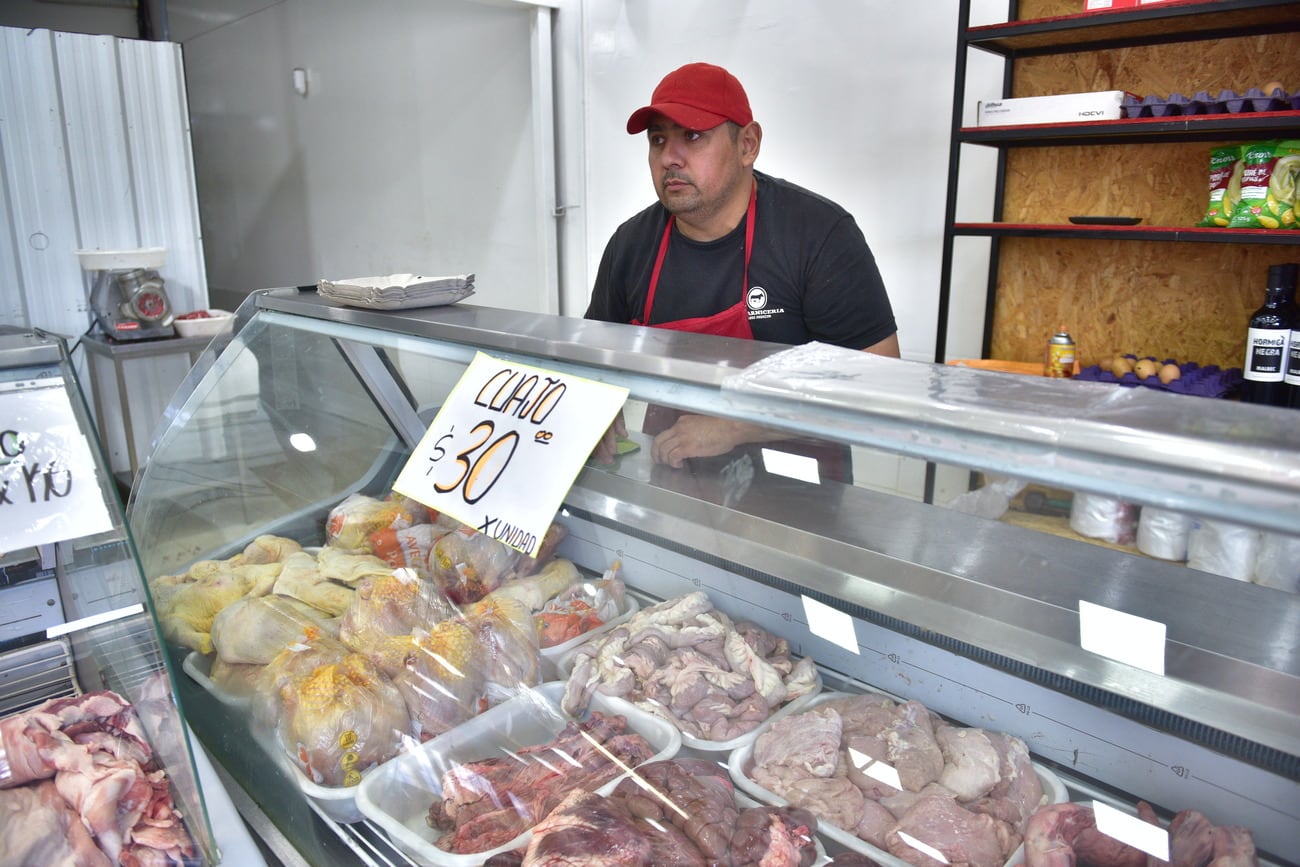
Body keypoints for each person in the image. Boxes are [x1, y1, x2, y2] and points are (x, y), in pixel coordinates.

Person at [586, 61, 899, 478]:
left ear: (747, 144)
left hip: (798, 485)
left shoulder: (817, 235)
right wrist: (594, 410)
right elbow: (591, 360)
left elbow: (879, 381)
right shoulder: (631, 246)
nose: (669, 158)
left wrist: (734, 425)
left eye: (692, 136)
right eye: (658, 140)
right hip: (673, 470)